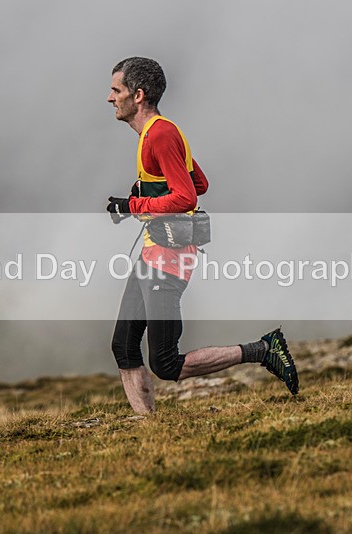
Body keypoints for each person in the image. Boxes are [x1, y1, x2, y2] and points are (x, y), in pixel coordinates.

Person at [105, 57, 298, 414]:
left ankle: (263, 350)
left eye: (116, 90)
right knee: (124, 346)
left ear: (139, 95)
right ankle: (149, 432)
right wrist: (149, 192)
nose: (109, 98)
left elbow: (187, 197)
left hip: (170, 256)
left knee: (166, 363)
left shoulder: (160, 134)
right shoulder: (158, 132)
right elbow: (200, 182)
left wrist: (134, 205)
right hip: (153, 251)